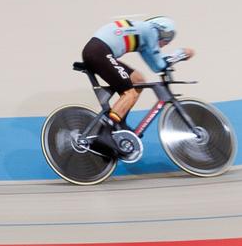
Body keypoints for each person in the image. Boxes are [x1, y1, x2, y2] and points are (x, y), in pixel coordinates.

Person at [82, 16, 192, 156]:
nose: (164, 45)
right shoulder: (150, 31)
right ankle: (104, 133)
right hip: (99, 52)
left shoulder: (142, 33)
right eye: (167, 40)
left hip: (98, 50)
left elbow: (155, 66)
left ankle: (119, 123)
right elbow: (159, 65)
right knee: (130, 93)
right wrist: (181, 54)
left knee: (138, 80)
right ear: (163, 31)